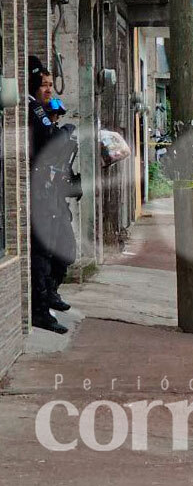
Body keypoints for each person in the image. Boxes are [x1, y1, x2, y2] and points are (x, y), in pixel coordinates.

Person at [28, 57, 68, 333]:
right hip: (37, 192)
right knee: (42, 253)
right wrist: (62, 131)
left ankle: (49, 295)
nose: (49, 90)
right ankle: (41, 310)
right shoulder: (33, 109)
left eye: (51, 85)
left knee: (62, 250)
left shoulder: (44, 111)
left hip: (51, 191)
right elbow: (47, 141)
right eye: (43, 85)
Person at [44, 98, 81, 314]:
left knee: (67, 251)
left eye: (58, 117)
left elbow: (65, 175)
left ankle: (52, 290)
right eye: (53, 116)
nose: (56, 120)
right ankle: (47, 295)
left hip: (58, 205)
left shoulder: (63, 145)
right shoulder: (49, 140)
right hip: (45, 207)